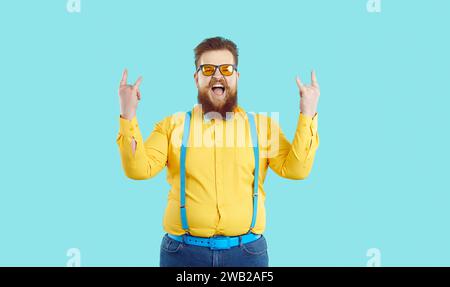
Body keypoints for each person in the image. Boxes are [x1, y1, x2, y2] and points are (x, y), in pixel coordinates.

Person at [116, 36, 320, 267]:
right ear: (196, 78)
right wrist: (128, 113)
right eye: (208, 69)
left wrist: (308, 113)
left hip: (247, 254)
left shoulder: (263, 127)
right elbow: (137, 170)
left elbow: (296, 170)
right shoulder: (172, 126)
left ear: (237, 77)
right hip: (182, 254)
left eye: (226, 68)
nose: (217, 75)